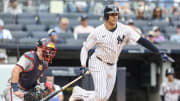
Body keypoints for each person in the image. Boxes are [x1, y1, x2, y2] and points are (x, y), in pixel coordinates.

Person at [69, 4, 168, 101]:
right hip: (97, 62)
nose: (115, 16)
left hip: (112, 64)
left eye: (116, 14)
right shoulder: (97, 31)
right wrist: (83, 65)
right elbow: (85, 48)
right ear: (106, 16)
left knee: (104, 98)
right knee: (101, 96)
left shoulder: (125, 29)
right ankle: (80, 94)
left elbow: (141, 40)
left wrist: (158, 51)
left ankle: (79, 93)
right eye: (112, 14)